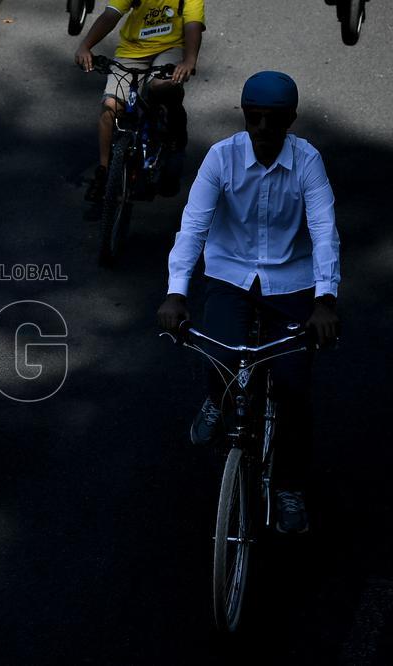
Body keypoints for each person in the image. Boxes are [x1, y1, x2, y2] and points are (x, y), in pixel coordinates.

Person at [157, 71, 341, 535]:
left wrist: (325, 299)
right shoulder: (221, 158)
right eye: (253, 117)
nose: (262, 127)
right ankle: (215, 400)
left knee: (293, 390)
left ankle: (289, 487)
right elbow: (193, 227)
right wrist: (177, 291)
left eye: (273, 119)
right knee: (219, 357)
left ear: (291, 119)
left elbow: (324, 233)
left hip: (292, 283)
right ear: (243, 114)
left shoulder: (308, 162)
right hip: (230, 276)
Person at [75, 0, 205, 201]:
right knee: (110, 108)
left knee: (163, 88)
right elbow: (111, 14)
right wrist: (85, 46)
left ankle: (175, 131)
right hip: (131, 51)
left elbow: (193, 25)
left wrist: (189, 60)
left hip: (169, 49)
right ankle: (103, 171)